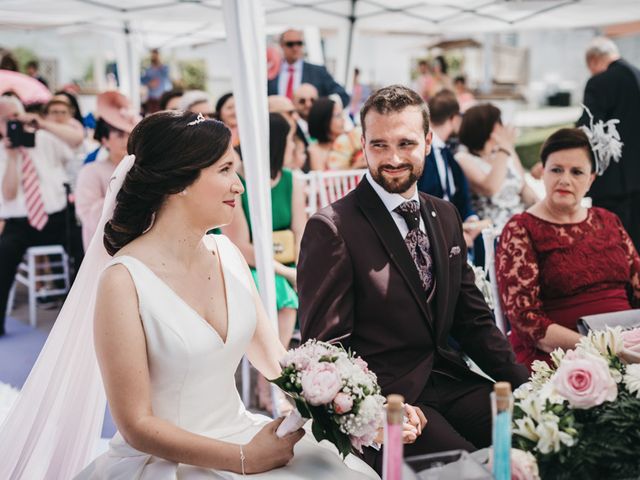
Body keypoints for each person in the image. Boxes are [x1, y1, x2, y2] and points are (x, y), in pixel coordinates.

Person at [298, 85, 529, 474]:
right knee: (465, 469)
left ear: (427, 141)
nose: (393, 158)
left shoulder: (446, 215)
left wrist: (529, 386)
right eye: (379, 145)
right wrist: (371, 413)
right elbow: (326, 350)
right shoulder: (332, 228)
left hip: (451, 382)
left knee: (532, 433)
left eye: (405, 143)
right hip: (390, 404)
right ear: (363, 143)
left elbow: (473, 321)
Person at [496, 128, 640, 370]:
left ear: (591, 179)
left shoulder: (608, 220)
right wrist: (603, 349)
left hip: (629, 342)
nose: (565, 180)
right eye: (556, 170)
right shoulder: (521, 229)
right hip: (561, 354)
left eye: (576, 172)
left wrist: (629, 346)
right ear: (542, 172)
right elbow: (526, 320)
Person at [0, 95, 74, 336]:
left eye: (15, 117)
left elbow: (77, 139)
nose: (12, 123)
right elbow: (8, 195)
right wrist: (12, 158)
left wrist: (41, 123)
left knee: (81, 247)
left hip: (56, 217)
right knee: (4, 255)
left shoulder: (45, 138)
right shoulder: (2, 152)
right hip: (19, 224)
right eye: (5, 120)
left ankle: (75, 313)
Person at [578, 36, 640, 251]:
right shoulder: (637, 75)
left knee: (614, 246)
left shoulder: (599, 82)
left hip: (613, 182)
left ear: (594, 61)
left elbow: (588, 128)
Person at [417, 90, 488, 248]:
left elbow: (460, 195)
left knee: (485, 231)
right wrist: (453, 234)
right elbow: (421, 201)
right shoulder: (421, 154)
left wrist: (471, 219)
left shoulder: (446, 153)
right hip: (432, 233)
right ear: (454, 118)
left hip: (455, 225)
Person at [455, 103, 539, 232]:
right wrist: (504, 147)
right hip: (493, 231)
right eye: (500, 123)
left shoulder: (505, 151)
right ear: (490, 129)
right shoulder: (463, 158)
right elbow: (490, 188)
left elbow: (523, 187)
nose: (503, 127)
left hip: (522, 223)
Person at [75, 92, 139, 249]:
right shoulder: (91, 171)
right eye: (119, 135)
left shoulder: (142, 168)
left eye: (130, 134)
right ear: (105, 140)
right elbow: (88, 213)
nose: (126, 140)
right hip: (103, 245)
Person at [268, 29, 349, 107]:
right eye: (290, 44)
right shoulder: (272, 71)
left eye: (299, 43)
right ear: (282, 45)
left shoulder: (318, 72)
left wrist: (323, 109)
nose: (295, 48)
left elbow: (342, 96)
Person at [307, 97, 364, 171]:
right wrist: (354, 168)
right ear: (324, 120)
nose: (343, 119)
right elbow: (321, 181)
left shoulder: (352, 140)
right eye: (338, 116)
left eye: (342, 115)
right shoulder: (315, 150)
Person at [140, 48, 171, 114]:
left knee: (162, 114)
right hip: (151, 97)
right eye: (152, 55)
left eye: (155, 55)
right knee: (153, 114)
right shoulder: (148, 69)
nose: (154, 57)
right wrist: (149, 83)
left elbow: (167, 78)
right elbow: (142, 80)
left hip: (162, 96)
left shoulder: (164, 68)